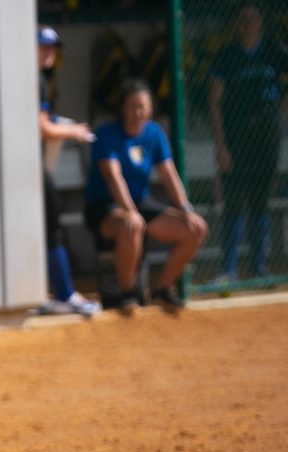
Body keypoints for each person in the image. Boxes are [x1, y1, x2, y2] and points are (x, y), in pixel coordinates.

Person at [83, 80, 208, 311]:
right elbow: (113, 177)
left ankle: (162, 289)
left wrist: (186, 210)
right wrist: (130, 212)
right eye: (132, 106)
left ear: (150, 109)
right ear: (122, 108)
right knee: (133, 225)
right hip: (104, 206)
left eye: (142, 106)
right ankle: (128, 292)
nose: (137, 112)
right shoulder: (107, 133)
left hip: (140, 202)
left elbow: (169, 174)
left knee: (195, 229)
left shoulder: (154, 133)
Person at [207, 4, 288, 283]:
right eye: (243, 20)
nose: (249, 25)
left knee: (260, 201)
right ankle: (228, 268)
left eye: (254, 19)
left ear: (261, 23)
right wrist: (221, 146)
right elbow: (215, 102)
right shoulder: (227, 55)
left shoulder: (274, 51)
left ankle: (259, 267)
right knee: (234, 201)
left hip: (267, 138)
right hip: (236, 139)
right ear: (236, 24)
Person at [35, 27, 101, 318]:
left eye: (52, 47)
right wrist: (74, 131)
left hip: (22, 165)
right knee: (52, 222)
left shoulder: (40, 79)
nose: (49, 52)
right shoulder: (36, 80)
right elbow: (43, 128)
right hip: (26, 166)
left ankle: (43, 294)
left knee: (43, 225)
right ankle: (65, 295)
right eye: (43, 47)